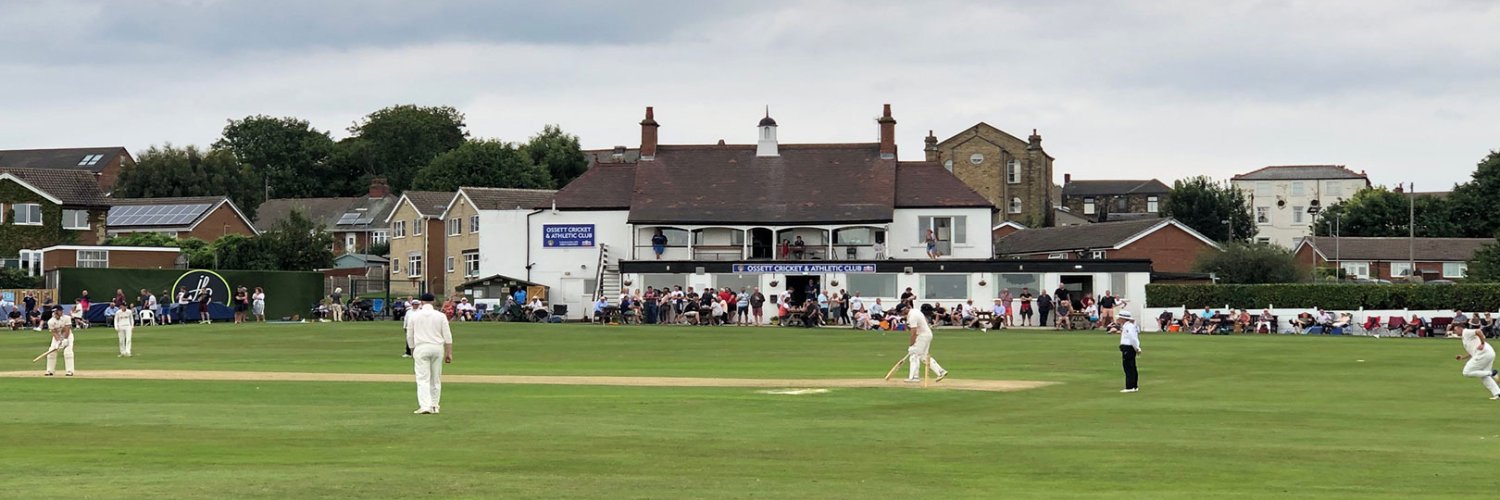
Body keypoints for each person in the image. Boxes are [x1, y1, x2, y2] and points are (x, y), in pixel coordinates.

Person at [406, 293, 453, 414]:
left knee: (423, 379)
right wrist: (449, 353)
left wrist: (412, 350)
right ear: (433, 302)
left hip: (421, 348)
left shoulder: (414, 316)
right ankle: (434, 406)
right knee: (435, 378)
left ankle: (425, 406)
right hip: (437, 348)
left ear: (421, 302)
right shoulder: (440, 316)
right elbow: (447, 336)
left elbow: (410, 335)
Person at [1455, 318, 1500, 399]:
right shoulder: (1464, 337)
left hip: (1483, 353)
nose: (1455, 332)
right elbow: (1472, 351)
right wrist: (1462, 357)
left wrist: (1482, 343)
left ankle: (1492, 373)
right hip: (1489, 353)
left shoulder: (1466, 332)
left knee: (1466, 372)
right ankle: (1498, 393)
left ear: (1460, 328)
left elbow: (1479, 331)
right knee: (1484, 375)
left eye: (1456, 330)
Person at [904, 304, 949, 382]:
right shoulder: (916, 311)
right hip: (927, 334)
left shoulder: (912, 316)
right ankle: (941, 371)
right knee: (924, 356)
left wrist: (911, 345)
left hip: (922, 336)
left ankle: (914, 377)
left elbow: (913, 333)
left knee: (914, 355)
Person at [45, 309, 75, 376]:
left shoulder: (67, 318)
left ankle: (69, 371)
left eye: (61, 311)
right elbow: (54, 332)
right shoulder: (50, 321)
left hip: (68, 336)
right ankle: (50, 370)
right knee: (51, 351)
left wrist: (65, 339)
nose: (61, 312)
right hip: (57, 337)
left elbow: (67, 329)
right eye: (59, 311)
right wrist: (58, 341)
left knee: (68, 352)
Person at [1118, 311, 1141, 393]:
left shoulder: (1129, 327)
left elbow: (1133, 338)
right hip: (1128, 348)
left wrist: (1137, 348)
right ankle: (1134, 386)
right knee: (1131, 366)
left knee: (1128, 367)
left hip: (1128, 348)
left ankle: (1130, 386)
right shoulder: (1127, 326)